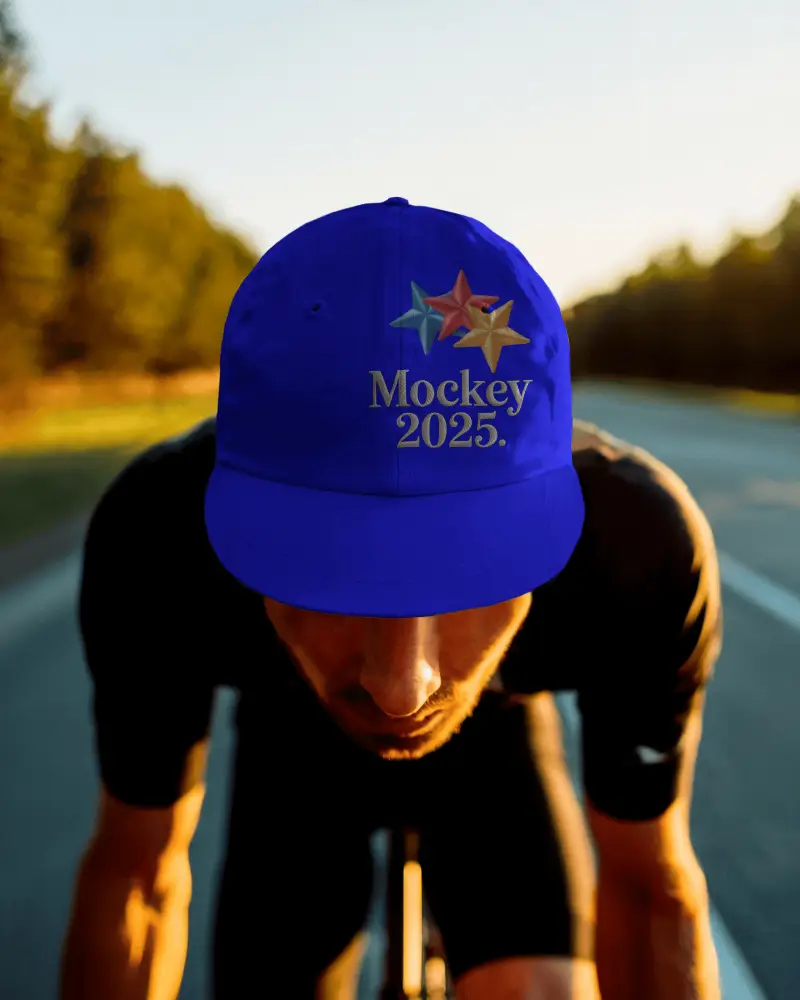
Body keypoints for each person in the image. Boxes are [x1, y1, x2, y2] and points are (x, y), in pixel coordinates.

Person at [59, 197, 723, 1000]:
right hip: (291, 730)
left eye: (474, 571)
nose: (402, 686)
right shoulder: (159, 537)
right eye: (325, 570)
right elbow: (137, 875)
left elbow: (650, 888)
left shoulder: (636, 550)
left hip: (495, 733)